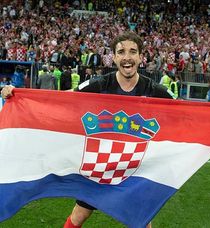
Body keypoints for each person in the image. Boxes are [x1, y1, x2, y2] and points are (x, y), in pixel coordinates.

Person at [1, 31, 176, 228]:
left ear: (141, 57)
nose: (127, 57)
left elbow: (185, 112)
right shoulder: (100, 84)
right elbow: (66, 98)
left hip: (134, 167)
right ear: (114, 57)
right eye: (121, 52)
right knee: (79, 215)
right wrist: (21, 95)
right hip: (101, 164)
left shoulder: (155, 90)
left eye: (133, 51)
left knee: (142, 220)